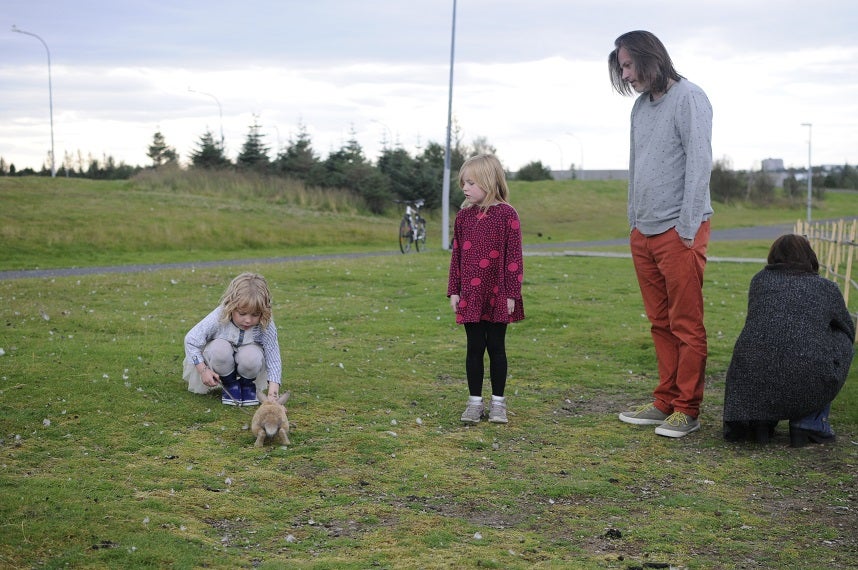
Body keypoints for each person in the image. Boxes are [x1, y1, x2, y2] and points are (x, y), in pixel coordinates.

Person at [608, 30, 714, 437]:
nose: (627, 74)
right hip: (644, 231)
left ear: (651, 58)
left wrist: (687, 226)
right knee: (660, 322)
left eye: (630, 65)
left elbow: (699, 162)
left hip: (680, 230)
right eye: (622, 67)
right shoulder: (639, 108)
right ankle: (664, 401)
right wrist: (633, 221)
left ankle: (687, 410)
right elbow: (637, 165)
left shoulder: (689, 98)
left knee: (686, 323)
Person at [723, 234, 855, 447]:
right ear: (809, 256)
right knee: (842, 339)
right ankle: (809, 422)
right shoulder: (827, 288)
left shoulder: (759, 281)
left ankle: (760, 422)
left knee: (767, 340)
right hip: (807, 373)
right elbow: (848, 328)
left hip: (751, 374)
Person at [447, 154, 525, 424]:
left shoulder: (507, 215)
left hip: (498, 293)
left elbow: (514, 257)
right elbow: (456, 255)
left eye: (470, 182)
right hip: (470, 294)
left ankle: (498, 404)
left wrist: (512, 293)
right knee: (474, 348)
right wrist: (454, 290)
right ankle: (474, 403)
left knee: (497, 348)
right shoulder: (463, 217)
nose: (465, 188)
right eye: (463, 183)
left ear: (488, 181)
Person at [183, 272, 283, 406]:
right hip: (220, 360)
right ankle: (230, 384)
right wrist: (203, 370)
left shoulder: (265, 323)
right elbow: (191, 340)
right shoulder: (219, 316)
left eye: (255, 315)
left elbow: (274, 358)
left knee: (251, 356)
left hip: (248, 363)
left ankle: (247, 385)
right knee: (219, 349)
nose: (248, 320)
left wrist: (273, 397)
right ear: (231, 306)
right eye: (242, 313)